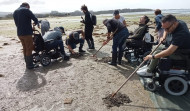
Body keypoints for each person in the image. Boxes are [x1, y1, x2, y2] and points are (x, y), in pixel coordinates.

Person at [13, 2, 40, 69]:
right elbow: (34, 18)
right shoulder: (26, 10)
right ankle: (30, 65)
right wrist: (36, 23)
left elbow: (17, 24)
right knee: (29, 48)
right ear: (27, 6)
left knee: (25, 48)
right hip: (27, 33)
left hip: (19, 33)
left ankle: (27, 63)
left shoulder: (15, 11)